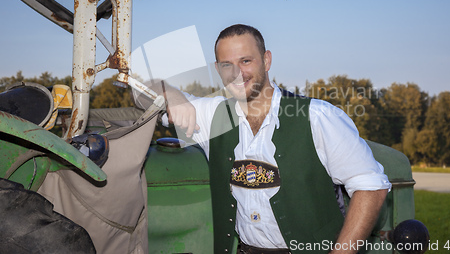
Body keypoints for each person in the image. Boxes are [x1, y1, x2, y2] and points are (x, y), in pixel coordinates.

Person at [164, 24, 391, 254]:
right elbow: (145, 93)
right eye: (226, 65)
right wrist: (171, 95)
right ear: (217, 69)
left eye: (246, 61)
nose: (237, 73)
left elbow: (371, 185)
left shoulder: (318, 116)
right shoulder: (211, 116)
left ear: (266, 60)